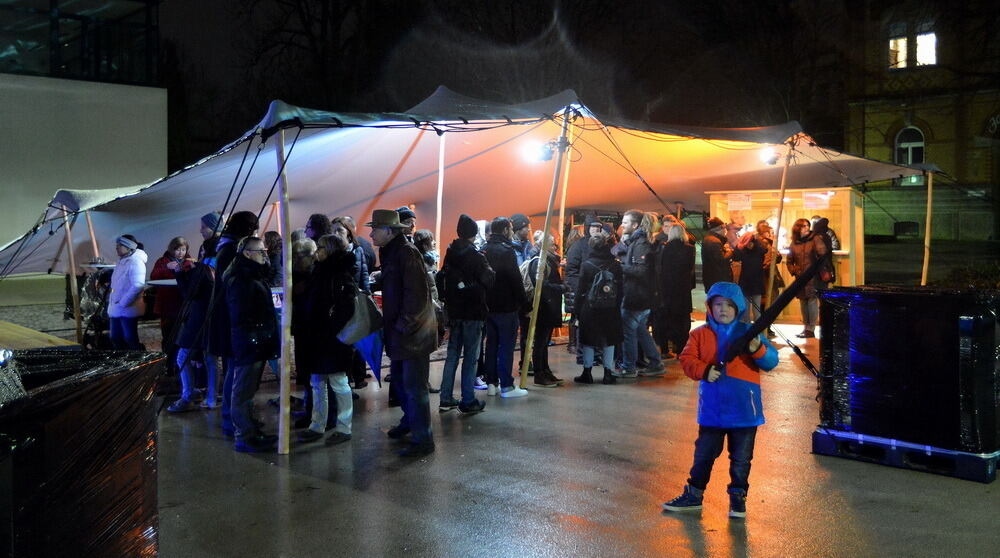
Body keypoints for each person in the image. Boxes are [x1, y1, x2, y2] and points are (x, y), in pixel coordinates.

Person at [663, 282, 778, 518]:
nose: (723, 309)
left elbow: (771, 361)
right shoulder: (699, 335)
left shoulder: (749, 333)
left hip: (745, 411)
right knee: (704, 455)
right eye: (717, 305)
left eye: (728, 305)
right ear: (709, 307)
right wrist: (704, 370)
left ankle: (738, 498)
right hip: (713, 412)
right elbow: (687, 359)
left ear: (738, 309)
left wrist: (757, 349)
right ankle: (693, 494)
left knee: (741, 460)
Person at [368, 209, 438, 457]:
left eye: (375, 228)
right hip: (403, 331)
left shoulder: (405, 252)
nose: (371, 233)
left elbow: (417, 295)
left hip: (412, 333)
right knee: (401, 382)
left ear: (388, 231)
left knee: (414, 386)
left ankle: (423, 439)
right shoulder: (392, 252)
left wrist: (403, 327)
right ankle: (410, 423)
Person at [296, 234, 357, 445]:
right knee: (317, 382)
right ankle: (317, 424)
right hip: (318, 336)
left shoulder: (339, 274)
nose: (316, 251)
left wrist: (332, 326)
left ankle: (344, 426)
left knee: (338, 382)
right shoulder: (319, 272)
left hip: (332, 338)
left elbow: (346, 307)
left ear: (330, 249)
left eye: (320, 247)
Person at [224, 236, 280, 453]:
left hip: (254, 340)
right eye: (260, 251)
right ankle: (244, 436)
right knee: (243, 389)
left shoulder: (249, 274)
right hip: (249, 341)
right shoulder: (241, 278)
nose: (264, 254)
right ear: (247, 253)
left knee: (248, 387)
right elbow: (242, 314)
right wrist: (259, 332)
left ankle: (248, 429)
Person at [437, 215, 495, 413]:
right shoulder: (477, 256)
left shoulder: (450, 252)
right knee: (471, 356)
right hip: (473, 312)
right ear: (473, 234)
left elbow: (442, 277)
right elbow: (489, 279)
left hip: (454, 311)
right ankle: (468, 400)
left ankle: (445, 398)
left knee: (452, 354)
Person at [210, 211, 259, 436]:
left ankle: (235, 417)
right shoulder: (232, 251)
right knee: (236, 369)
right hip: (232, 317)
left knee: (234, 368)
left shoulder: (225, 248)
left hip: (226, 315)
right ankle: (233, 418)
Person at [169, 237, 220, 412]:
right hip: (214, 317)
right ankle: (211, 398)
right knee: (210, 358)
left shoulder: (202, 269)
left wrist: (179, 274)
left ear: (203, 251)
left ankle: (187, 395)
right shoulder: (218, 267)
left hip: (199, 318)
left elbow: (189, 294)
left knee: (183, 357)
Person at [482, 217, 529, 398]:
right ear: (504, 230)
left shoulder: (483, 250)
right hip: (506, 306)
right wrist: (525, 304)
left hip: (488, 306)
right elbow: (515, 280)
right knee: (506, 346)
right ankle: (507, 386)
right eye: (509, 229)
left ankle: (491, 384)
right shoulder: (506, 251)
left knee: (491, 345)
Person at [616, 210, 664, 378]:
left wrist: (620, 267)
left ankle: (629, 367)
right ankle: (655, 362)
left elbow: (641, 270)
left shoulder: (641, 243)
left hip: (636, 295)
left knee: (628, 331)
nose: (622, 225)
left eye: (626, 222)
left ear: (635, 225)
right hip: (641, 294)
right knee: (641, 330)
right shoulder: (638, 241)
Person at [573, 230, 623, 385]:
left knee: (588, 339)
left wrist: (577, 310)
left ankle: (587, 372)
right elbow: (621, 288)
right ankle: (608, 373)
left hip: (590, 307)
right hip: (610, 307)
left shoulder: (586, 265)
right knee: (609, 339)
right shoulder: (615, 264)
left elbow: (581, 289)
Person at [332, 216, 373, 390]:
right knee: (344, 340)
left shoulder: (357, 250)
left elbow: (363, 273)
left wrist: (367, 294)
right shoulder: (332, 252)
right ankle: (346, 377)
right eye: (333, 230)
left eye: (339, 230)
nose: (336, 234)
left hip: (356, 298)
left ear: (348, 233)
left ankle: (359, 375)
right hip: (339, 302)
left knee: (359, 337)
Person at [525, 233, 565, 387]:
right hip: (543, 306)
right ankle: (539, 374)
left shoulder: (548, 259)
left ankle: (545, 370)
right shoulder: (540, 261)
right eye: (552, 243)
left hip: (549, 304)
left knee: (545, 341)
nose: (554, 246)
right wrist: (559, 287)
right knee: (540, 341)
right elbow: (540, 284)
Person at [151, 237, 191, 379]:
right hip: (167, 306)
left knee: (182, 338)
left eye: (183, 249)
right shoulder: (162, 262)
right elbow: (154, 277)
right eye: (177, 249)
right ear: (171, 249)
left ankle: (182, 366)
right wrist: (167, 268)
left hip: (183, 305)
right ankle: (168, 366)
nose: (180, 253)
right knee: (168, 337)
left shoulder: (189, 263)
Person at [786, 218, 830, 338]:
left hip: (813, 276)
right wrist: (795, 270)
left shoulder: (815, 239)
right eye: (804, 226)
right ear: (798, 228)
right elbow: (789, 261)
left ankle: (811, 329)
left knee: (811, 300)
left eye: (808, 225)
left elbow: (823, 255)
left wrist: (816, 269)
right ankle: (806, 327)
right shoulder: (794, 243)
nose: (807, 228)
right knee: (803, 301)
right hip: (800, 277)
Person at [656, 225, 695, 359]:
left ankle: (665, 349)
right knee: (682, 320)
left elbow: (660, 268)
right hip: (682, 288)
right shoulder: (689, 249)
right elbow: (690, 268)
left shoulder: (664, 248)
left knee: (666, 319)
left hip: (666, 288)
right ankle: (681, 350)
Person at [564, 215, 601, 358]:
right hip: (581, 288)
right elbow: (571, 270)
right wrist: (578, 287)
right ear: (587, 228)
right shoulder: (578, 245)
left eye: (598, 227)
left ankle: (592, 347)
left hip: (596, 290)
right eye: (593, 226)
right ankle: (573, 344)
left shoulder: (601, 244)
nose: (596, 229)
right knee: (577, 317)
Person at [108, 235, 147, 350]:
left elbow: (138, 285)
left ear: (128, 247)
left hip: (127, 307)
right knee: (115, 337)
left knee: (129, 338)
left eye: (120, 245)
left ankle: (137, 360)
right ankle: (123, 360)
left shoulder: (135, 262)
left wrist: (123, 302)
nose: (117, 248)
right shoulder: (122, 261)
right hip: (117, 306)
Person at [701, 217, 733, 291]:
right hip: (718, 279)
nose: (725, 231)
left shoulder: (710, 239)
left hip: (713, 279)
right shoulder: (714, 242)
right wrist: (730, 251)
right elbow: (721, 260)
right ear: (719, 228)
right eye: (724, 228)